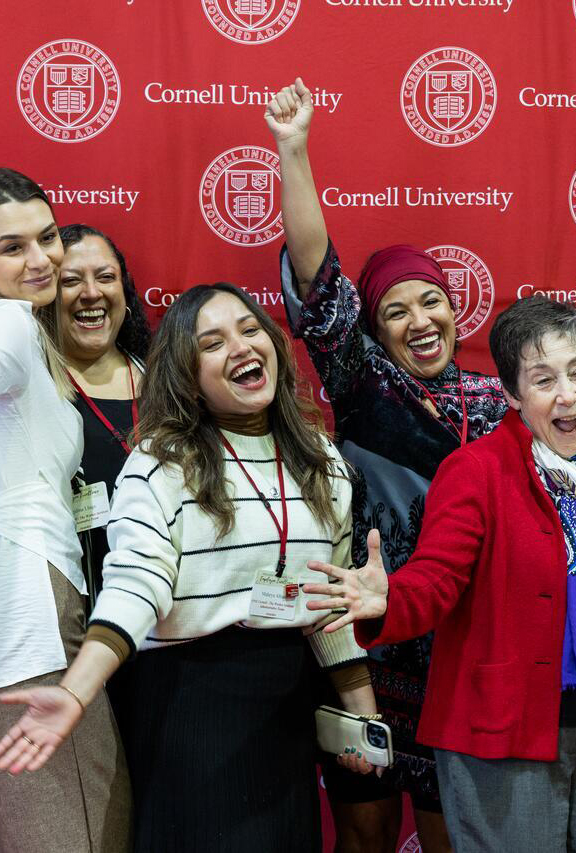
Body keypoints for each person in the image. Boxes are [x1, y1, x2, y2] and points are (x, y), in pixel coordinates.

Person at [303, 296, 576, 853]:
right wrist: (391, 598)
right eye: (543, 380)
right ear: (512, 395)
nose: (568, 394)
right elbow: (436, 581)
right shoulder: (475, 471)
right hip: (501, 731)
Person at [0, 283, 378, 852]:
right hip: (189, 707)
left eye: (249, 330)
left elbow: (330, 607)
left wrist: (364, 722)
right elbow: (135, 588)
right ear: (187, 376)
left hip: (284, 705)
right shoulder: (161, 462)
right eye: (212, 342)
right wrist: (76, 692)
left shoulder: (323, 462)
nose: (241, 347)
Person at [267, 79, 506, 851]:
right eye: (396, 310)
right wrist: (294, 149)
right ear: (371, 329)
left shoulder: (499, 401)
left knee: (452, 838)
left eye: (431, 301)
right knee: (363, 836)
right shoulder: (364, 381)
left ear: (455, 310)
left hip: (459, 653)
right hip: (365, 649)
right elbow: (319, 283)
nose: (420, 320)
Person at [0, 169, 132, 852]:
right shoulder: (11, 325)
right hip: (33, 612)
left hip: (37, 604)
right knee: (76, 827)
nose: (41, 260)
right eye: (11, 247)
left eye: (46, 237)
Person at [57, 224, 151, 603]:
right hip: (76, 607)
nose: (91, 293)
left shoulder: (168, 384)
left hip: (169, 609)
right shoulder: (31, 391)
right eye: (71, 281)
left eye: (106, 277)